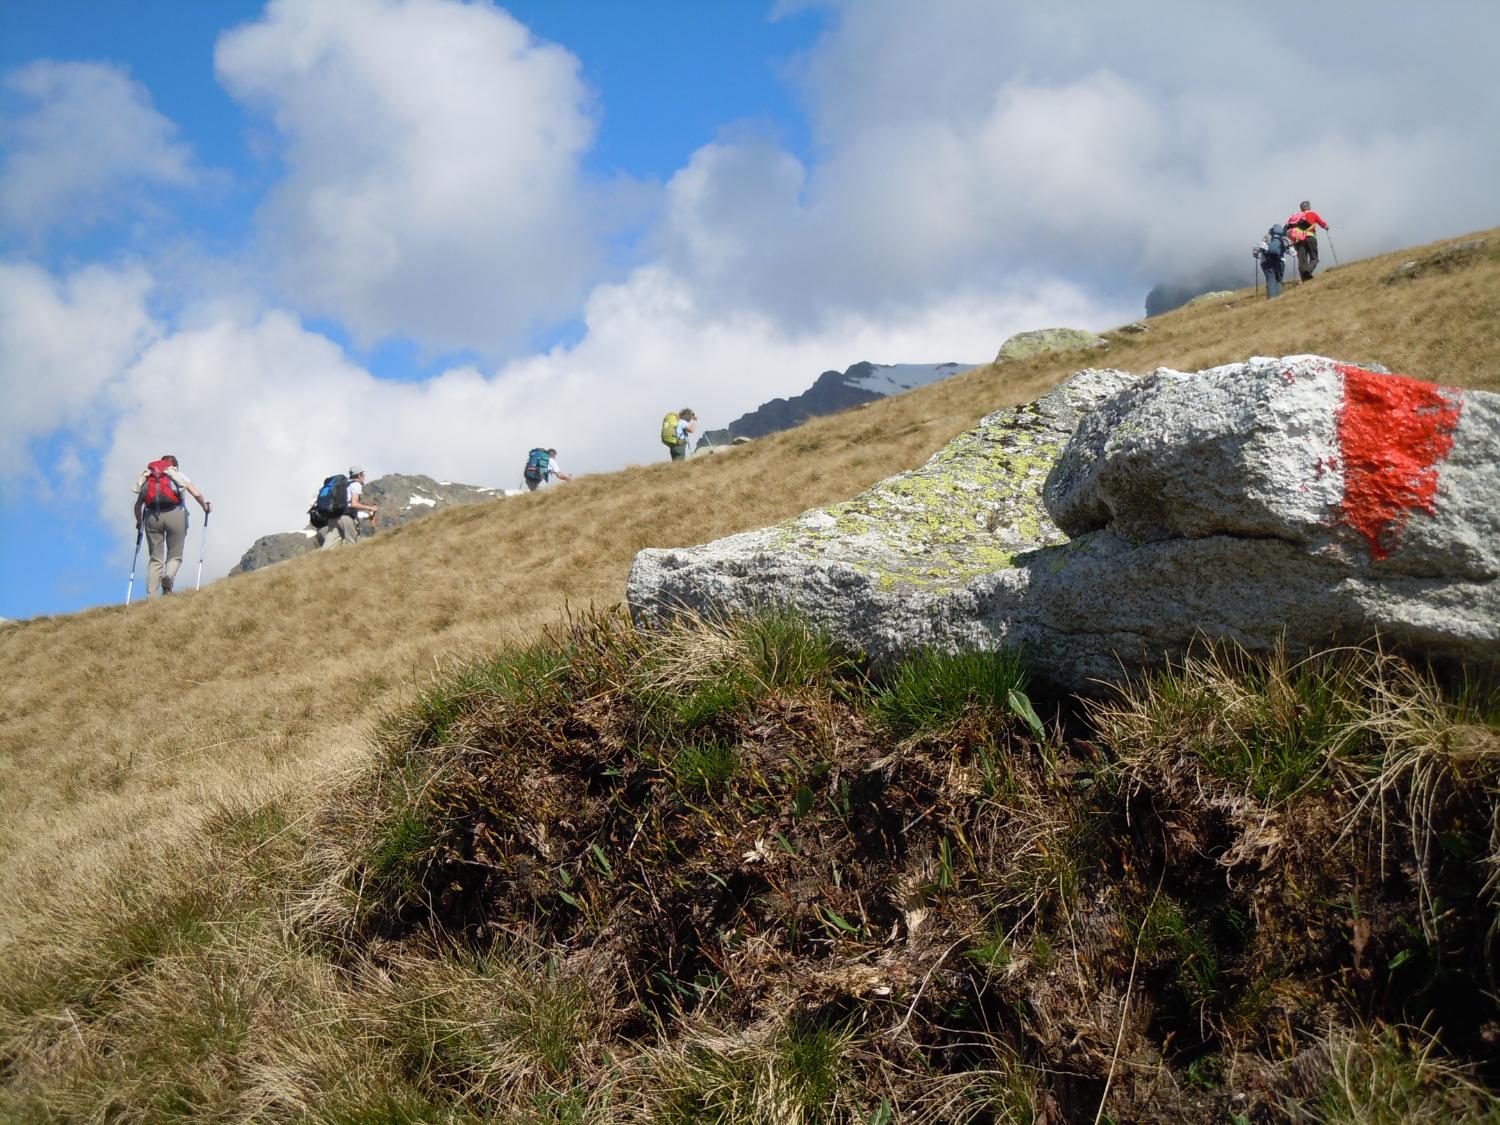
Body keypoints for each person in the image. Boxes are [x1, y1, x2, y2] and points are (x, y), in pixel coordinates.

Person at [132, 454, 211, 597]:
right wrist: (205, 507)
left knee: (155, 558)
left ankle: (151, 596)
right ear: (174, 465)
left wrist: (139, 522)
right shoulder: (176, 473)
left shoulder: (148, 476)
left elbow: (138, 506)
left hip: (151, 517)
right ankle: (168, 577)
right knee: (175, 555)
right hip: (176, 514)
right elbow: (195, 493)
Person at [318, 465, 378, 549]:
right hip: (346, 519)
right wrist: (371, 508)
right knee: (353, 546)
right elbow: (354, 504)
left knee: (328, 548)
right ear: (359, 475)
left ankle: (318, 561)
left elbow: (349, 505)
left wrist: (367, 514)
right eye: (363, 474)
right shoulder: (356, 485)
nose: (364, 477)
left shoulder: (343, 484)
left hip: (333, 517)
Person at [1285, 200, 1330, 282]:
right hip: (1310, 237)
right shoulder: (1313, 214)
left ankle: (1304, 278)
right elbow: (1322, 224)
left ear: (1301, 208)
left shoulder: (1296, 217)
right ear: (1309, 207)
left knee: (1302, 260)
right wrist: (1326, 227)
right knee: (1314, 258)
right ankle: (1308, 271)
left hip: (1298, 239)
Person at [1254, 223, 1289, 298]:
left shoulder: (1267, 236)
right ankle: (1279, 298)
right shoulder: (1283, 238)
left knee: (1271, 278)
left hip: (1266, 261)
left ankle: (1271, 298)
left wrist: (1256, 254)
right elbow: (1291, 251)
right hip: (1280, 261)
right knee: (1279, 279)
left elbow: (1258, 247)